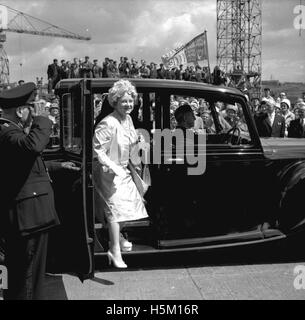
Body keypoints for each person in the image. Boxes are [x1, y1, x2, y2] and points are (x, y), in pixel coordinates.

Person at [0, 83, 79, 300]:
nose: (32, 114)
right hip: (28, 217)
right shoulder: (7, 132)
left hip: (29, 215)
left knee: (29, 275)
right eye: (30, 109)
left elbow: (24, 164)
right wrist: (43, 120)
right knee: (27, 276)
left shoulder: (10, 132)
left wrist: (58, 166)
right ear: (20, 111)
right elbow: (31, 147)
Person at [93, 79, 148, 268]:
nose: (128, 104)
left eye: (131, 100)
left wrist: (138, 140)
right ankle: (114, 250)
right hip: (108, 172)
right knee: (115, 211)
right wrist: (113, 167)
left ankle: (118, 237)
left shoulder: (129, 119)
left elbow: (129, 142)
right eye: (124, 101)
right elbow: (97, 150)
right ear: (115, 101)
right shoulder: (107, 123)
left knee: (131, 207)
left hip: (123, 170)